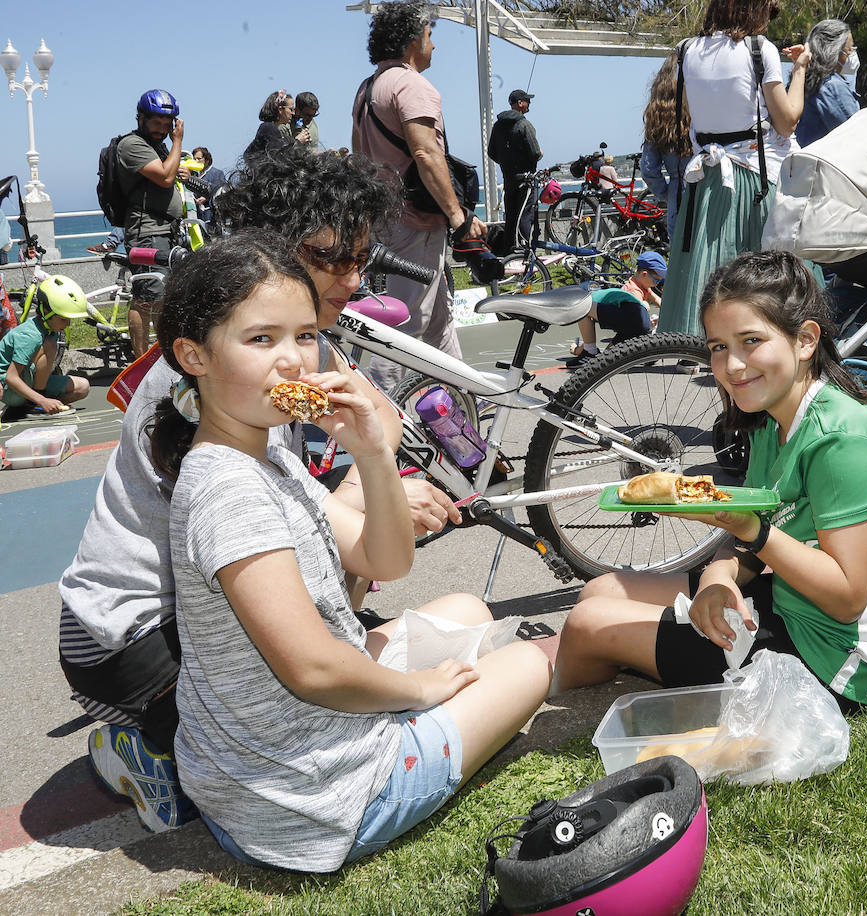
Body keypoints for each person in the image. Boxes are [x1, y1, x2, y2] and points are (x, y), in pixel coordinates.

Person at [59, 145, 466, 833]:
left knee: (367, 504)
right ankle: (155, 749)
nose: (352, 277)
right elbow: (253, 510)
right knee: (275, 726)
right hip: (128, 635)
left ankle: (323, 658)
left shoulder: (288, 355)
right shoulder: (211, 375)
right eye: (334, 256)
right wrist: (376, 480)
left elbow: (305, 493)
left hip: (214, 597)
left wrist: (381, 468)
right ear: (273, 252)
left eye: (360, 259)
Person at [146, 231, 551, 872]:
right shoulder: (228, 490)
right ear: (193, 355)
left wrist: (371, 451)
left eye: (304, 336)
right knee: (529, 664)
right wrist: (416, 691)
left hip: (263, 760)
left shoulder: (267, 445)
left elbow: (382, 561)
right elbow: (313, 670)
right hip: (313, 799)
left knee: (469, 608)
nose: (294, 362)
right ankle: (415, 740)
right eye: (261, 339)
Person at [555, 250, 867, 710]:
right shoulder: (773, 419)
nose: (733, 366)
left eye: (751, 340)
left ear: (805, 340)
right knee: (604, 588)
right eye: (718, 347)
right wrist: (720, 574)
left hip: (842, 660)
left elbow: (848, 598)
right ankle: (594, 666)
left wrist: (749, 529)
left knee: (588, 624)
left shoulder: (841, 441)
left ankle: (546, 690)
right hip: (798, 605)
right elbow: (755, 537)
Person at [656, 0, 811, 336]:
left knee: (708, 269)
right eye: (769, 11)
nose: (769, 20)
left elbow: (692, 112)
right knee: (766, 272)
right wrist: (799, 69)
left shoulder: (685, 51)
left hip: (705, 178)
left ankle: (697, 341)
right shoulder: (760, 49)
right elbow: (786, 122)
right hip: (754, 177)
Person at [352, 0, 484, 391]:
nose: (433, 45)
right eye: (429, 35)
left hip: (386, 218)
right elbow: (427, 154)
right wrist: (458, 217)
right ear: (412, 41)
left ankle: (462, 398)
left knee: (438, 318)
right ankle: (379, 410)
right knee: (407, 323)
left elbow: (360, 161)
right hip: (416, 221)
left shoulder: (368, 89)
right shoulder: (411, 85)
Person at [114, 89, 184, 356]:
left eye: (168, 126)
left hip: (166, 229)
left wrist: (178, 165)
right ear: (140, 117)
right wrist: (178, 142)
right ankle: (140, 361)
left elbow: (166, 172)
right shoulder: (131, 145)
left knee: (163, 299)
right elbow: (165, 178)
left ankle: (161, 358)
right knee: (145, 297)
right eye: (157, 123)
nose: (163, 130)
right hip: (148, 230)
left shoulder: (156, 145)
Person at [0, 275, 91, 421]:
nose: (67, 324)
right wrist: (42, 400)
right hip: (9, 389)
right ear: (46, 312)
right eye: (63, 319)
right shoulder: (29, 336)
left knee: (83, 388)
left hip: (29, 382)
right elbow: (11, 377)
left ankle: (27, 406)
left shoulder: (50, 329)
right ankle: (35, 404)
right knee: (49, 344)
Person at [569, 250, 666, 364]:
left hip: (624, 324)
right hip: (612, 314)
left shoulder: (644, 285)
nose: (658, 284)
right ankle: (589, 352)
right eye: (657, 280)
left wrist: (668, 311)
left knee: (606, 359)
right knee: (583, 308)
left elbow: (656, 300)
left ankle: (588, 351)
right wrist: (651, 320)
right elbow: (640, 313)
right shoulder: (632, 289)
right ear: (644, 275)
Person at [640, 56, 692, 239]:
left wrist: (667, 192)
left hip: (678, 195)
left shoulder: (658, 118)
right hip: (710, 188)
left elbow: (648, 169)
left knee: (680, 257)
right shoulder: (701, 107)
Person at [488, 89, 542, 250]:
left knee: (511, 217)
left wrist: (506, 163)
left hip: (509, 178)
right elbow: (534, 153)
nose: (529, 103)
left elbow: (491, 152)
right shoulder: (524, 124)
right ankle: (524, 253)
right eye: (527, 100)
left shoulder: (498, 125)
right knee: (525, 215)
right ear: (520, 103)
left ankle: (509, 252)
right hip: (526, 180)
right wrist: (539, 155)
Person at [795, 19, 860, 148]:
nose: (851, 53)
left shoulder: (803, 80)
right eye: (849, 48)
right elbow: (856, 136)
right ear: (835, 50)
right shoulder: (831, 86)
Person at [243, 90, 297, 161]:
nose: (293, 113)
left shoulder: (269, 127)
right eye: (291, 109)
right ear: (280, 110)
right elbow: (278, 158)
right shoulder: (269, 128)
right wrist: (297, 142)